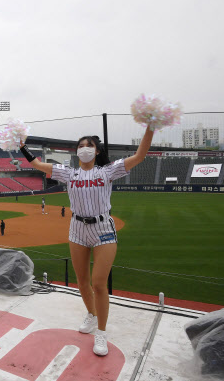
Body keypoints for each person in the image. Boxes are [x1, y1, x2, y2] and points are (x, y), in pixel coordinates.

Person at [18, 126, 154, 356]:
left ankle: (101, 332)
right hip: (77, 228)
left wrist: (151, 126)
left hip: (103, 228)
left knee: (99, 283)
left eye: (88, 145)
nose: (84, 149)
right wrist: (22, 146)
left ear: (97, 150)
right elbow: (37, 165)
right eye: (80, 146)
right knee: (82, 281)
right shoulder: (69, 173)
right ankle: (91, 316)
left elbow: (140, 156)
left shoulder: (107, 172)